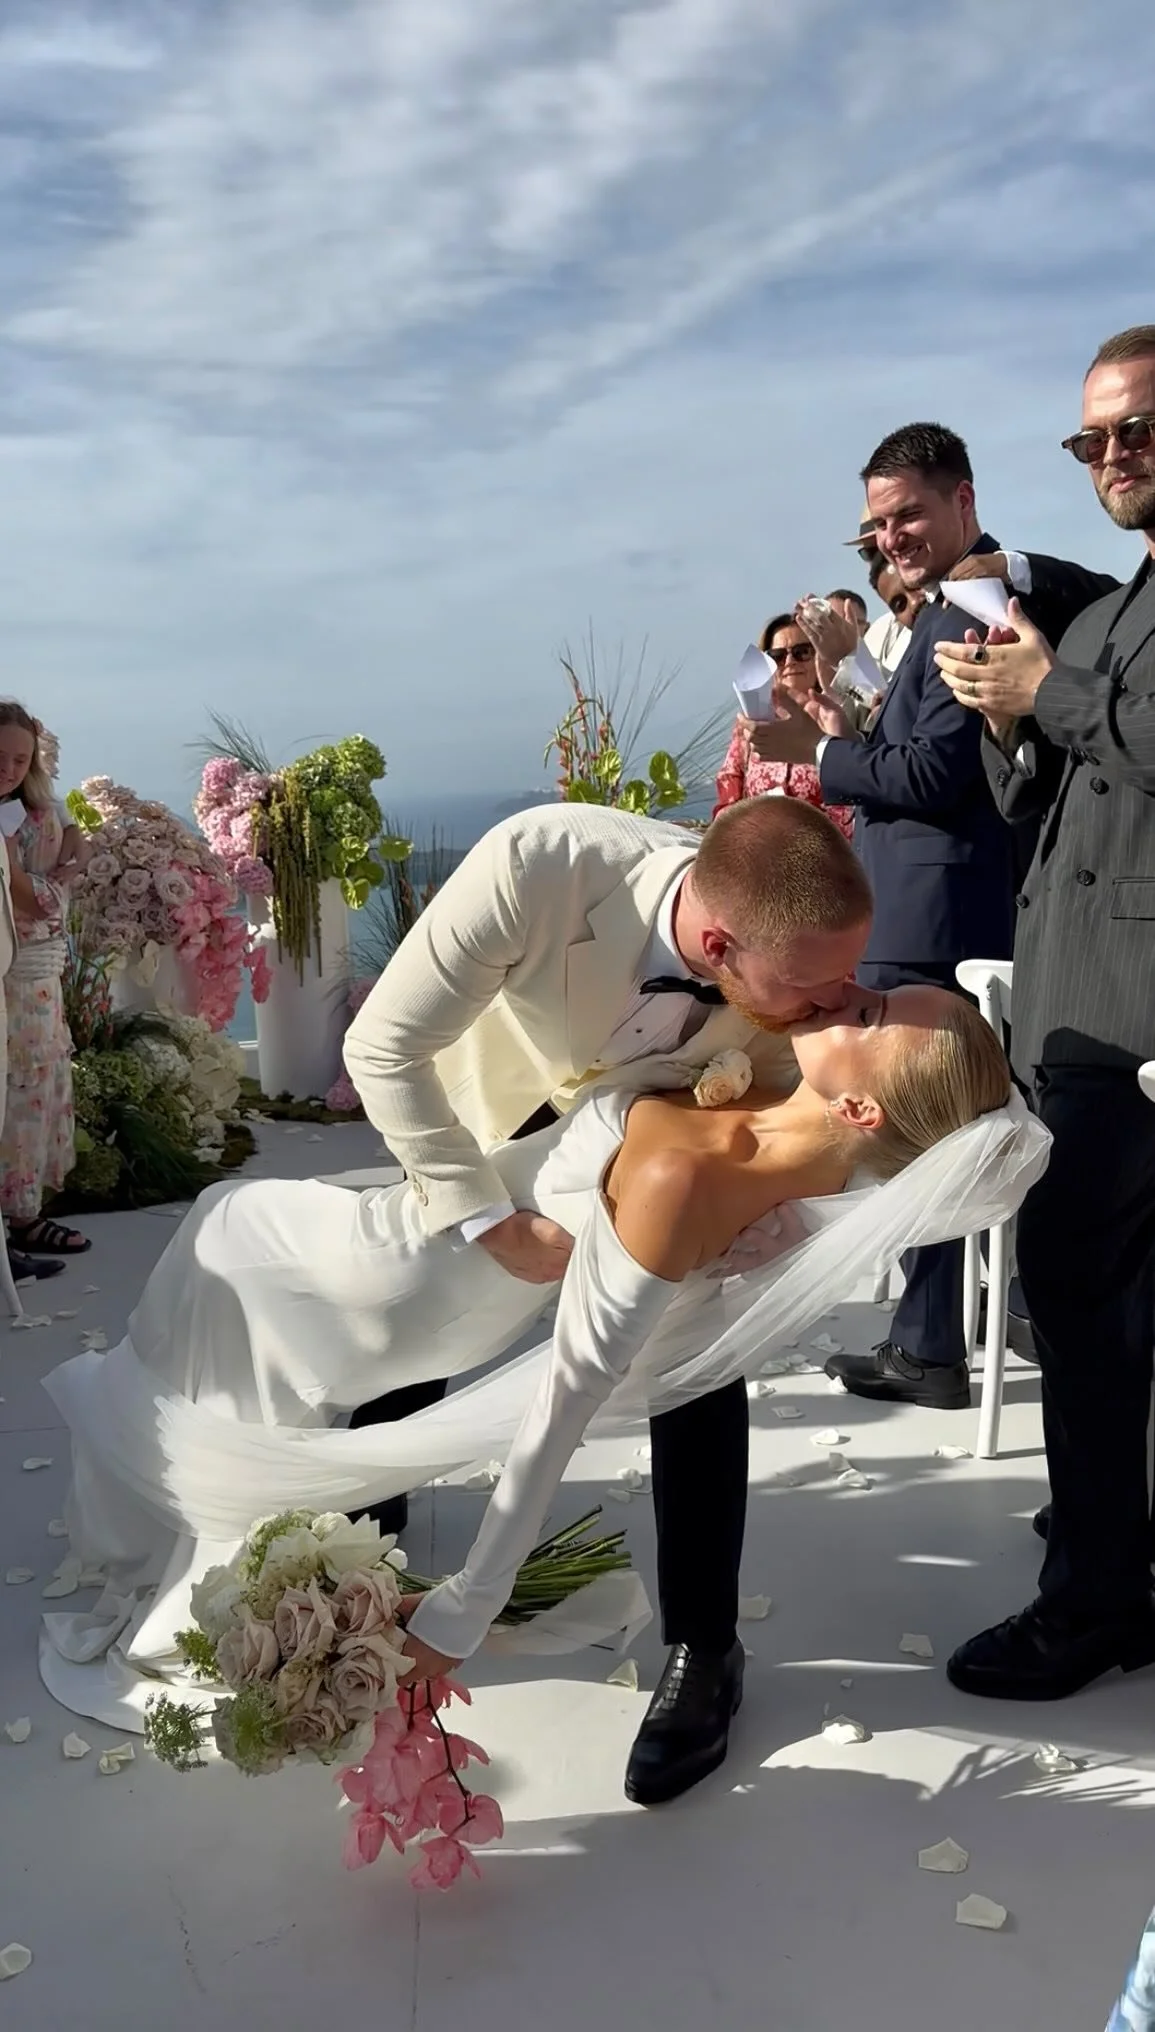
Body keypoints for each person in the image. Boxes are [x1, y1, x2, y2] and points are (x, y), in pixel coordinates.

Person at [41, 980, 1026, 1812]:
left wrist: (463, 1610)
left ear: (863, 1113)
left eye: (874, 1012)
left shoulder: (688, 1181)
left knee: (216, 1245)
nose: (850, 991)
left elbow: (559, 1410)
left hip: (378, 1285)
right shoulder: (779, 1098)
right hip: (377, 1235)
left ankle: (179, 1536)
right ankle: (202, 1539)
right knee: (217, 1239)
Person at [336, 795, 869, 1801]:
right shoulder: (539, 866)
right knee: (416, 1335)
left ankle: (706, 1654)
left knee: (697, 1365)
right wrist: (485, 1217)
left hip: (646, 1154)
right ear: (717, 942)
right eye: (813, 983)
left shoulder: (793, 981)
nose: (839, 1001)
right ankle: (363, 1563)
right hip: (488, 1126)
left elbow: (775, 1105)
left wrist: (760, 1217)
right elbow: (382, 1047)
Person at [746, 424, 1119, 1412]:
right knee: (952, 1132)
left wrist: (817, 762)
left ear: (963, 499)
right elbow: (903, 727)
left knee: (931, 1135)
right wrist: (841, 698)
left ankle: (930, 1347)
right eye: (877, 523)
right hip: (926, 901)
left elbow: (930, 772)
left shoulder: (974, 608)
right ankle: (983, 1324)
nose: (892, 536)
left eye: (907, 513)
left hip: (940, 912)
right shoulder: (940, 613)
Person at [935, 323, 1155, 1701]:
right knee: (1098, 1320)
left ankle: (1086, 1606)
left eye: (1133, 429)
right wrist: (1004, 714)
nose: (1108, 459)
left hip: (1124, 1030)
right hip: (1079, 1008)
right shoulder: (1121, 602)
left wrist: (1049, 694)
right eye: (1089, 441)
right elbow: (1060, 798)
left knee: (1079, 1308)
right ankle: (1107, 1539)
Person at [0, 705, 90, 1262]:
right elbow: (25, 894)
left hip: (39, 971)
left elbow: (78, 837)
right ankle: (15, 1222)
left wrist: (74, 856)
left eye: (20, 758)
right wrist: (62, 879)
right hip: (13, 974)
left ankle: (25, 1216)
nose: (8, 768)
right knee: (15, 1092)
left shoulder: (25, 807)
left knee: (37, 1087)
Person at [715, 614, 854, 837]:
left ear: (818, 655)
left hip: (824, 853)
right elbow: (729, 784)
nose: (789, 662)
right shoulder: (750, 723)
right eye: (778, 656)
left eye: (802, 652)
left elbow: (848, 800)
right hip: (759, 850)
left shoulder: (836, 717)